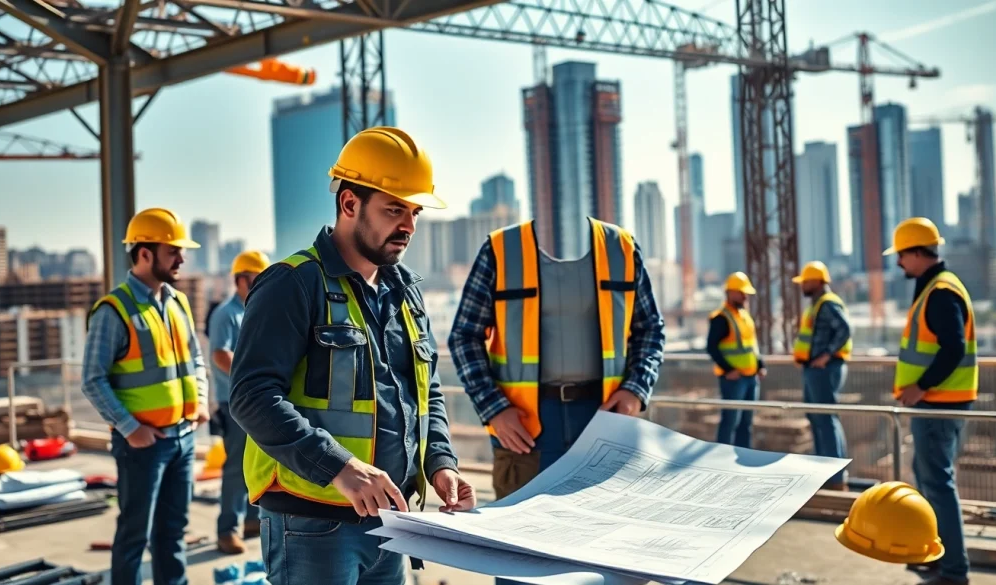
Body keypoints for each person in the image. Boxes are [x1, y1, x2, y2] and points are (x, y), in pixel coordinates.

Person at [230, 126, 476, 585]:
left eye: (414, 211)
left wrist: (440, 463)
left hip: (392, 522)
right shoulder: (292, 283)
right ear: (349, 204)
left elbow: (427, 393)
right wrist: (339, 467)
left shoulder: (407, 293)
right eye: (394, 209)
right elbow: (251, 397)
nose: (409, 226)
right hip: (312, 524)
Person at [448, 217, 666, 501]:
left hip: (604, 418)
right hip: (525, 427)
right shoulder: (500, 250)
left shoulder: (622, 249)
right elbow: (464, 336)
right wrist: (494, 408)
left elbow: (650, 328)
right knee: (521, 531)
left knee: (600, 525)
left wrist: (636, 389)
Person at [81, 207, 209, 585]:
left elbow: (195, 359)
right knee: (134, 535)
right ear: (145, 253)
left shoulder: (178, 302)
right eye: (173, 251)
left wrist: (200, 399)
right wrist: (130, 428)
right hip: (143, 445)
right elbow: (92, 379)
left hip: (183, 439)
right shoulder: (114, 310)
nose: (182, 258)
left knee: (173, 535)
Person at [885, 217, 976, 585]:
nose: (898, 263)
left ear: (918, 252)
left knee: (937, 484)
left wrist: (920, 387)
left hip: (939, 403)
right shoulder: (934, 287)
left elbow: (952, 347)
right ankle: (937, 558)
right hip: (939, 403)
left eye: (902, 255)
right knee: (929, 480)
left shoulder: (940, 291)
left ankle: (953, 572)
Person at [209, 249, 271, 554]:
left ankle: (249, 519)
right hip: (234, 404)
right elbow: (220, 354)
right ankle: (227, 530)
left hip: (253, 401)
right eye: (257, 279)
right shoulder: (226, 313)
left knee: (253, 465)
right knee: (235, 467)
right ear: (241, 280)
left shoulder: (254, 311)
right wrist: (253, 373)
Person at [791, 260, 853, 490]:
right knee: (818, 418)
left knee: (826, 419)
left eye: (805, 281)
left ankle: (835, 479)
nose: (802, 285)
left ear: (817, 281)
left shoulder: (827, 304)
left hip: (824, 370)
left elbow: (845, 329)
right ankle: (824, 472)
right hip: (814, 369)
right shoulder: (817, 304)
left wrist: (826, 355)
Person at [706, 272, 765, 448]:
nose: (745, 296)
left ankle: (743, 459)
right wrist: (728, 370)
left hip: (751, 378)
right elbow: (711, 348)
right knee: (730, 422)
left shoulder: (744, 316)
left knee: (746, 424)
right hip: (733, 380)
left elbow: (752, 345)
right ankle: (723, 460)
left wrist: (760, 365)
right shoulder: (721, 318)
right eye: (741, 292)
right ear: (730, 292)